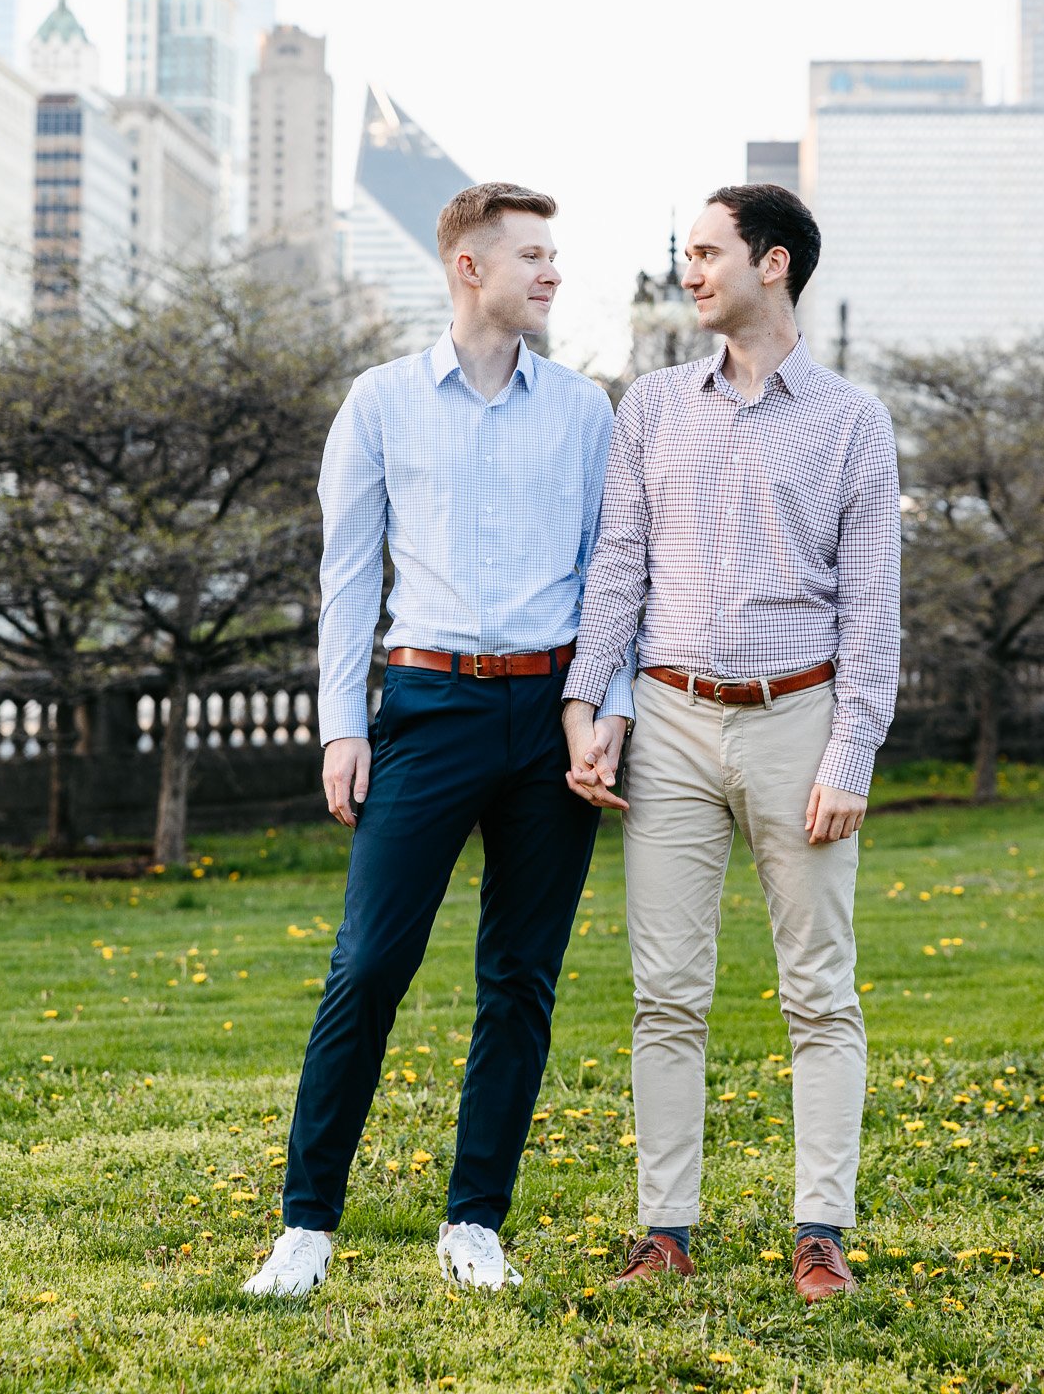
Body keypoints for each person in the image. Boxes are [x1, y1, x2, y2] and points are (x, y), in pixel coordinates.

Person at [244, 182, 630, 1299]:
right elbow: (347, 577)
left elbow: (615, 575)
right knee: (367, 963)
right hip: (426, 708)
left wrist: (603, 707)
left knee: (521, 978)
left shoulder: (585, 410)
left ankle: (475, 1220)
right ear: (470, 266)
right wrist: (341, 725)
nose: (551, 272)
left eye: (556, 255)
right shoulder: (378, 403)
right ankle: (307, 1223)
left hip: (552, 715)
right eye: (533, 255)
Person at [561, 183, 900, 1303]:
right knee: (666, 992)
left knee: (819, 990)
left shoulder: (853, 421)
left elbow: (874, 612)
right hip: (666, 720)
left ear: (776, 263)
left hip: (799, 720)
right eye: (688, 253)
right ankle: (665, 1228)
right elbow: (618, 566)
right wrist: (589, 702)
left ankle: (820, 1231)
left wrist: (850, 753)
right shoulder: (650, 406)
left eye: (709, 252)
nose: (691, 269)